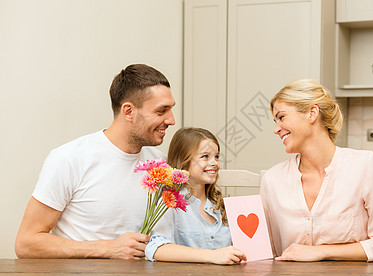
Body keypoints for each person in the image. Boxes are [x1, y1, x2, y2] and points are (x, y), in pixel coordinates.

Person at [15, 64, 176, 259]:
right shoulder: (70, 159)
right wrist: (108, 249)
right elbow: (26, 243)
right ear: (128, 112)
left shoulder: (161, 164)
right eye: (161, 111)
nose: (171, 120)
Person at [260, 78, 373, 262]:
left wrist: (321, 251)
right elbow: (265, 254)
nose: (276, 129)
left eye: (281, 117)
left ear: (312, 114)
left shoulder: (365, 166)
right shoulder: (272, 180)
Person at [145, 127, 246, 264]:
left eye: (216, 156)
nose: (214, 163)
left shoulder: (221, 205)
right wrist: (213, 255)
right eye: (205, 156)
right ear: (184, 161)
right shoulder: (170, 202)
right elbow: (156, 248)